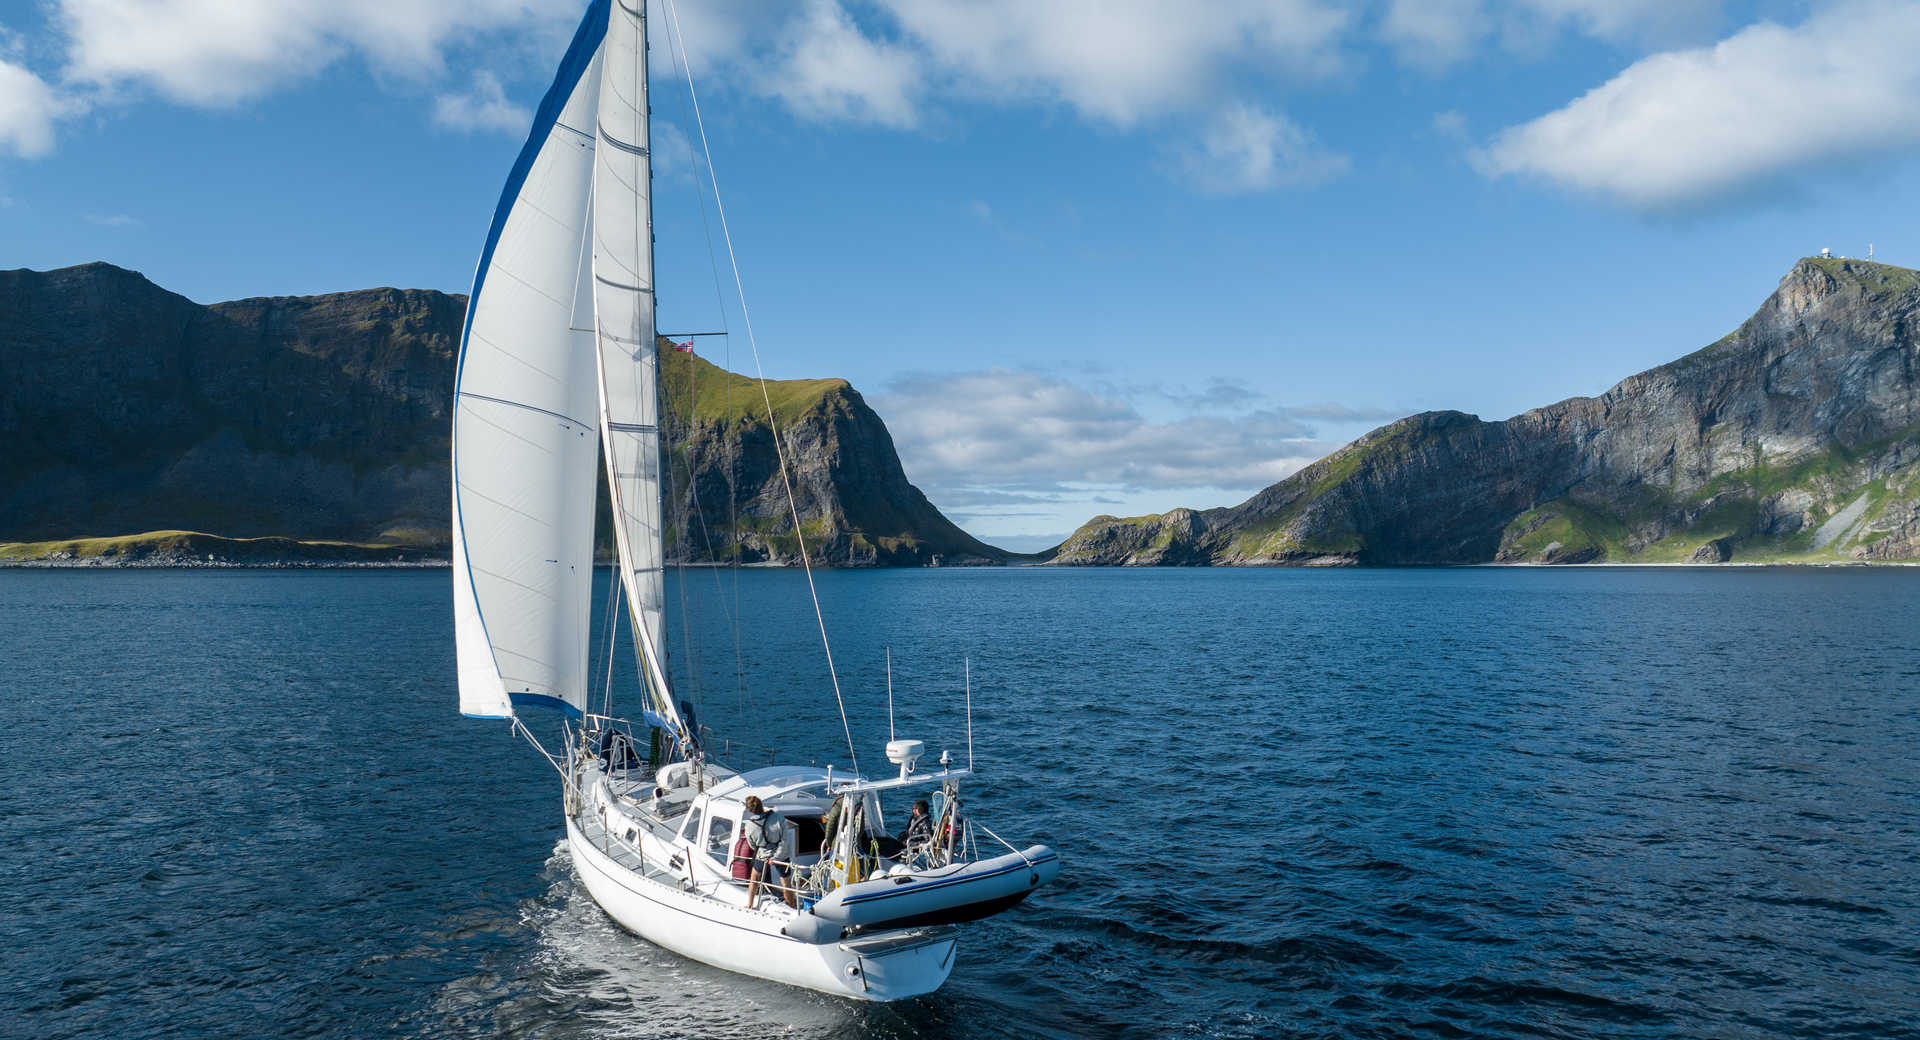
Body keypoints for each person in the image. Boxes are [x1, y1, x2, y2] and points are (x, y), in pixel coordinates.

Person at [742, 795, 796, 910]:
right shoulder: (778, 817)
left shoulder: (749, 825)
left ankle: (750, 904)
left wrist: (764, 851)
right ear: (761, 805)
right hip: (781, 855)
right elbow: (785, 839)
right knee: (786, 884)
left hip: (762, 855)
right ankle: (791, 906)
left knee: (754, 880)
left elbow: (752, 845)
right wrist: (776, 857)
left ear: (750, 810)